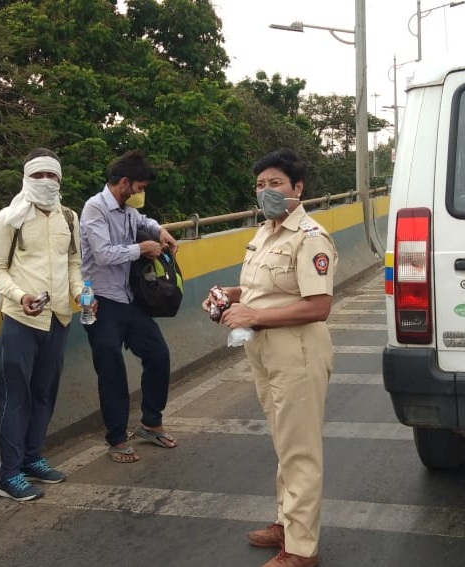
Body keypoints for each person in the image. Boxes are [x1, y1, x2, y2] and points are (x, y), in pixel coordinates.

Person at [202, 148, 337, 567]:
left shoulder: (310, 236)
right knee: (283, 441)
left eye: (275, 183)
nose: (266, 191)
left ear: (298, 188)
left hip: (296, 349)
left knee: (299, 449)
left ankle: (300, 549)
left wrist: (255, 314)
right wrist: (229, 295)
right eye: (260, 185)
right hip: (263, 349)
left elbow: (318, 305)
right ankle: (285, 521)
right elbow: (263, 288)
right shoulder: (264, 233)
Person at [0, 148, 84, 501]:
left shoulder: (69, 218)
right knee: (16, 397)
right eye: (38, 175)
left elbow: (73, 262)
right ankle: (8, 474)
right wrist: (19, 295)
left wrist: (79, 292)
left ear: (60, 179)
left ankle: (32, 458)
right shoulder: (8, 220)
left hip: (59, 318)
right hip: (20, 320)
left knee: (44, 393)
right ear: (26, 178)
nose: (46, 182)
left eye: (52, 175)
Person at [80, 149, 180, 464]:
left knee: (158, 354)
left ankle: (151, 421)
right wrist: (141, 248)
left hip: (127, 298)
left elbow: (143, 220)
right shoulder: (94, 209)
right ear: (124, 183)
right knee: (111, 370)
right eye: (139, 188)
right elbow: (103, 254)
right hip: (100, 300)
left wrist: (158, 231)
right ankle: (117, 438)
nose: (141, 194)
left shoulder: (126, 210)